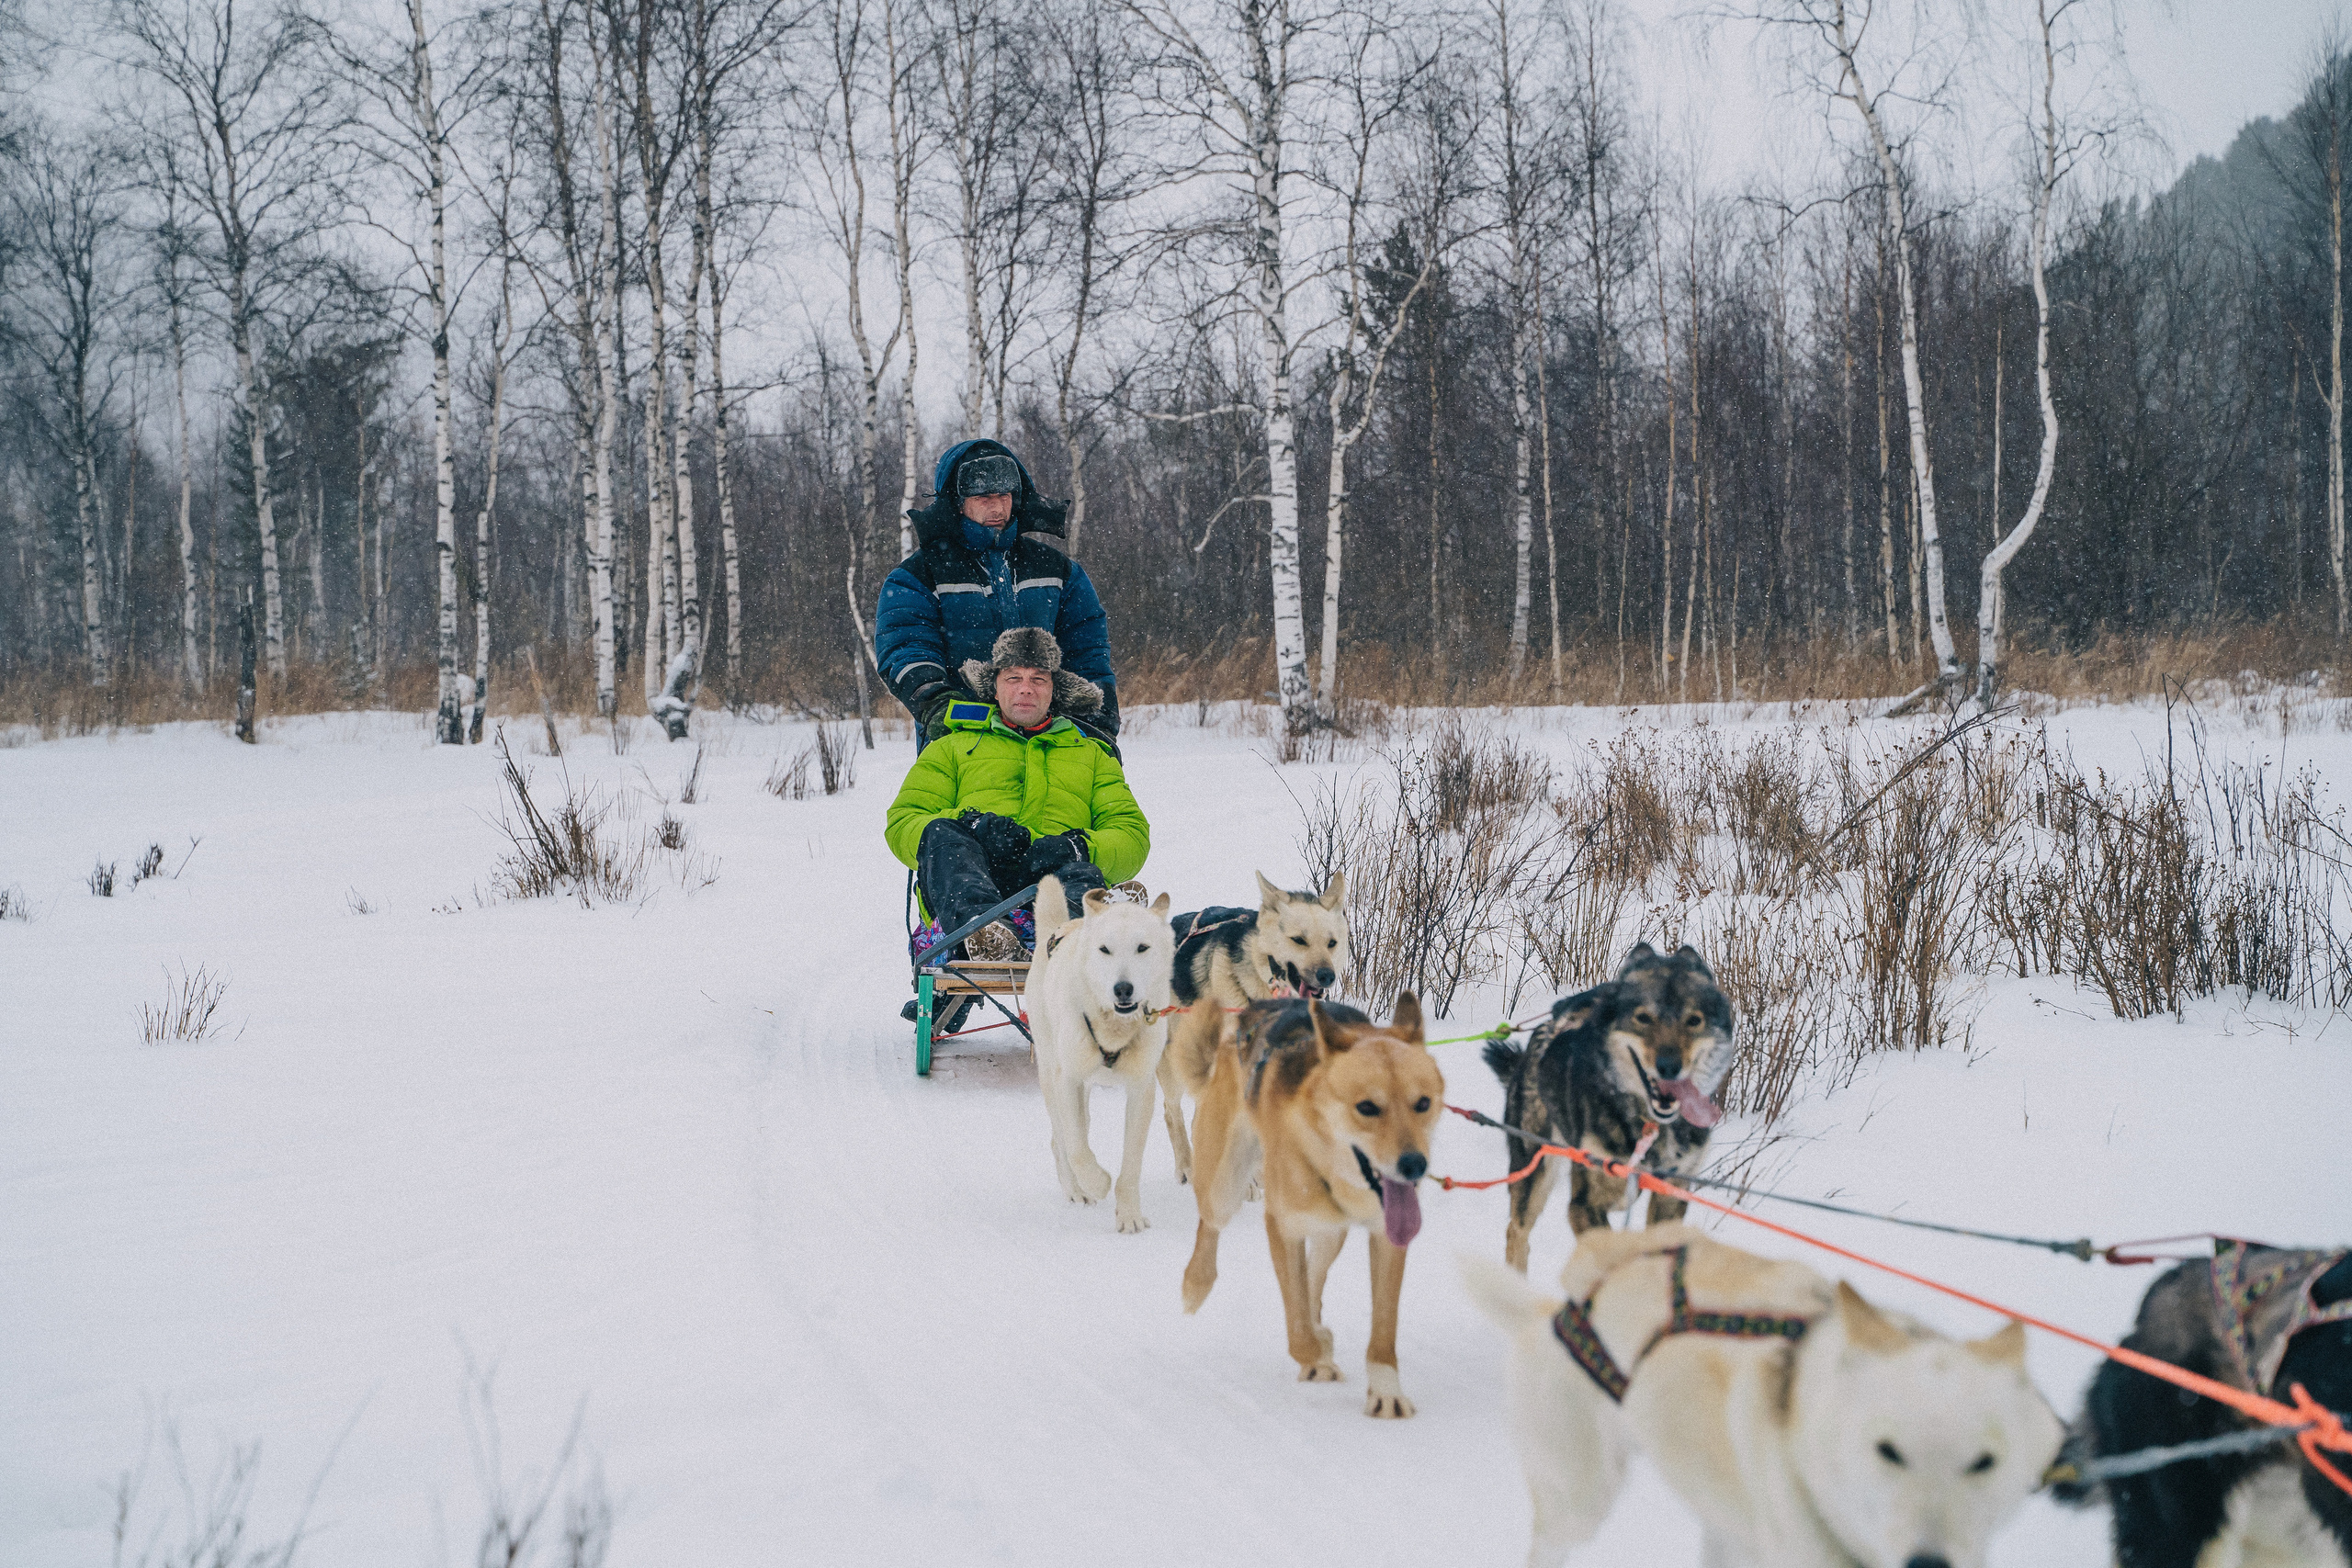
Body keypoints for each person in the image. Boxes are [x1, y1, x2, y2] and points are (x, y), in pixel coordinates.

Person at [887, 626, 1148, 963]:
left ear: (1054, 690)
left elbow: (1132, 835)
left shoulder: (1093, 755)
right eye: (1013, 678)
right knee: (940, 833)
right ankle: (985, 933)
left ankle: (1084, 930)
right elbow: (904, 821)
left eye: (1039, 679)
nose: (1026, 688)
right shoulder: (951, 746)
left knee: (1081, 871)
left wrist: (1079, 846)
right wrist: (972, 825)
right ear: (993, 687)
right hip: (970, 881)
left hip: (1053, 888)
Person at [875, 438, 1121, 753]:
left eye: (1003, 495)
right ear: (957, 501)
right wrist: (939, 707)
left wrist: (1097, 725)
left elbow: (1089, 652)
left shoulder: (1058, 570)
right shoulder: (918, 576)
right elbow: (905, 648)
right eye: (982, 497)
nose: (996, 508)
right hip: (964, 741)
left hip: (1053, 740)